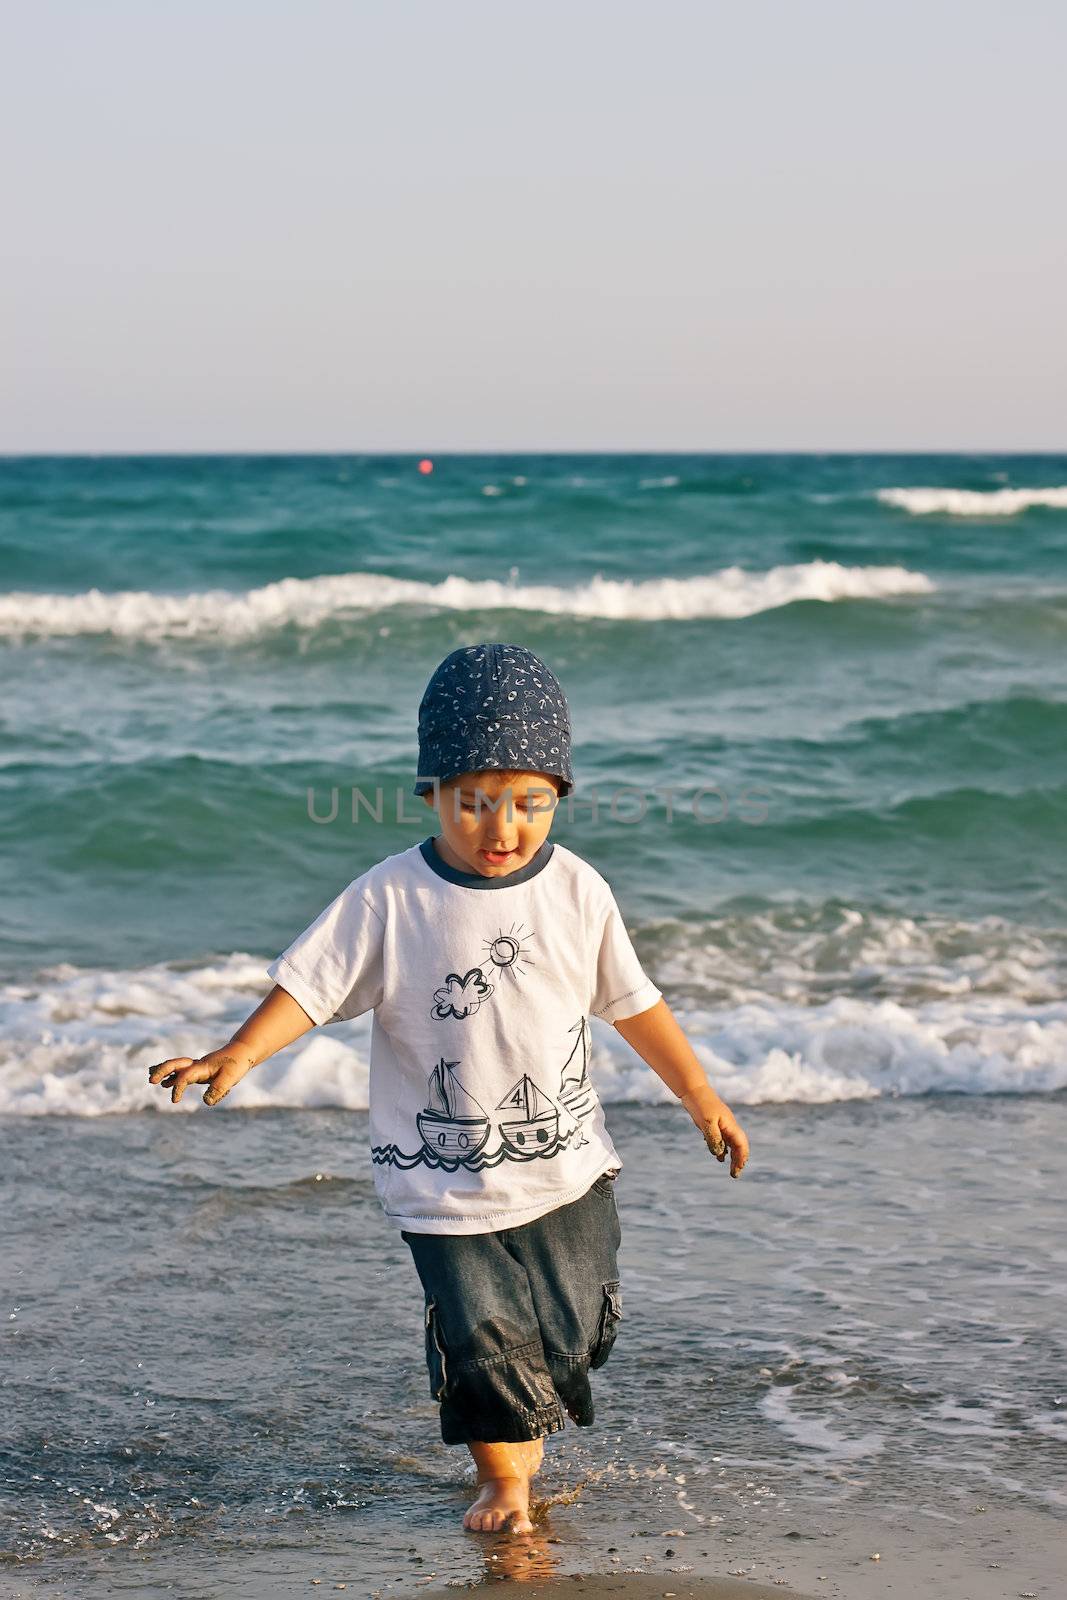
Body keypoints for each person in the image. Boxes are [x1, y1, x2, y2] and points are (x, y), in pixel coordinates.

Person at [148, 641, 749, 1535]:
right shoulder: (390, 898)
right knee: (480, 1337)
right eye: (473, 803)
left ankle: (533, 1400)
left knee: (574, 1327)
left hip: (566, 1166)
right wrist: (236, 1053)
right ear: (431, 794)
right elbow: (310, 987)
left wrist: (701, 1096)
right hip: (443, 1182)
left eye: (528, 804)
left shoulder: (578, 891)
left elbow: (633, 1004)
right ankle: (505, 1479)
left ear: (559, 799)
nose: (501, 827)